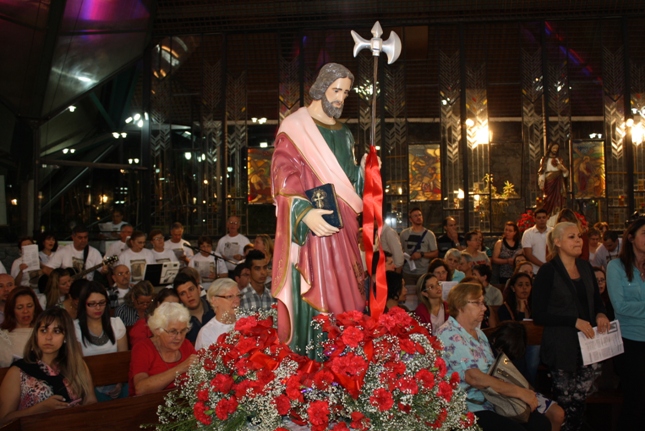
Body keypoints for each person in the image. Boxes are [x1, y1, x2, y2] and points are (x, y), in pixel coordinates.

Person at [271, 63, 368, 357]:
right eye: (336, 90)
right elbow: (283, 172)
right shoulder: (296, 127)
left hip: (344, 226)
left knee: (351, 295)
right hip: (314, 230)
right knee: (318, 286)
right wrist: (304, 212)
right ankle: (315, 358)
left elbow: (349, 183)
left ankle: (347, 355)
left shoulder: (345, 132)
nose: (340, 98)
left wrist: (364, 173)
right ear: (321, 87)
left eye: (346, 93)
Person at [436, 282, 551, 431]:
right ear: (460, 305)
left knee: (541, 424)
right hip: (468, 406)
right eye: (477, 303)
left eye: (483, 303)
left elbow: (493, 369)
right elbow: (474, 378)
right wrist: (519, 392)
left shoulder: (479, 333)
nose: (484, 308)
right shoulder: (449, 333)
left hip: (493, 400)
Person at [533, 222, 609, 431]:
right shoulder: (548, 271)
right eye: (571, 237)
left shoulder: (585, 267)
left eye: (579, 236)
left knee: (580, 402)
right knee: (565, 403)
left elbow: (597, 301)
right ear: (557, 242)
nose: (578, 241)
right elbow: (538, 314)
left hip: (588, 345)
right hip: (562, 346)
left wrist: (601, 314)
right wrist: (572, 321)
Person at [0, 308, 97, 426]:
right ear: (36, 334)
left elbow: (91, 401)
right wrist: (39, 409)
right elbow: (3, 420)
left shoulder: (77, 365)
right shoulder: (18, 370)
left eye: (56, 331)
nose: (48, 337)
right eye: (43, 330)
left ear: (66, 336)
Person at [606, 218, 645, 430]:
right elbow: (620, 306)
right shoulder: (616, 267)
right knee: (635, 400)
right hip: (630, 341)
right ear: (631, 237)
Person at [128, 302, 198, 396]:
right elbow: (141, 389)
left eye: (183, 331)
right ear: (158, 330)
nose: (179, 337)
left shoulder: (186, 345)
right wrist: (180, 368)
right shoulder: (143, 348)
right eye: (173, 331)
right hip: (148, 403)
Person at [74, 282, 128, 401]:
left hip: (117, 381)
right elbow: (78, 365)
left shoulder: (116, 324)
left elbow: (123, 361)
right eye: (92, 304)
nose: (98, 308)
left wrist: (119, 383)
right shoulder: (75, 328)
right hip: (89, 385)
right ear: (83, 304)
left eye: (101, 303)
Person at [0, 288, 44, 367]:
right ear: (11, 310)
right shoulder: (2, 336)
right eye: (20, 307)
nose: (25, 311)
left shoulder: (44, 331)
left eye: (29, 306)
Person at [195, 278, 242, 350]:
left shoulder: (247, 321)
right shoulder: (207, 333)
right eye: (230, 296)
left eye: (238, 295)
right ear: (214, 301)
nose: (237, 300)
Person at [400, 207, 439, 285]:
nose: (418, 217)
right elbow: (400, 250)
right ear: (410, 219)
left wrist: (421, 254)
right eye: (415, 216)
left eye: (420, 215)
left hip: (423, 271)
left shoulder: (429, 234)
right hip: (408, 271)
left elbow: (435, 253)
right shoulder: (404, 234)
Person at [173, 272, 214, 345]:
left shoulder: (215, 306)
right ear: (179, 298)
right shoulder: (179, 320)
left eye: (191, 289)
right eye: (183, 293)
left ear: (198, 289)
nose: (189, 295)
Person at [538, 142, 569, 216]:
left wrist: (563, 169)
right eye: (554, 148)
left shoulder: (559, 159)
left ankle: (557, 214)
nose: (555, 150)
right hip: (549, 182)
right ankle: (548, 215)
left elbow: (565, 173)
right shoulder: (545, 159)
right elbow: (542, 172)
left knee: (559, 198)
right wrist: (541, 181)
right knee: (548, 199)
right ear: (550, 148)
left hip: (558, 181)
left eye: (556, 148)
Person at [522, 208, 551, 275]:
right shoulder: (528, 233)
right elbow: (528, 254)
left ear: (547, 218)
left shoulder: (553, 232)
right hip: (534, 271)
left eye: (544, 217)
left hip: (551, 270)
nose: (542, 220)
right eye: (539, 218)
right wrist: (543, 266)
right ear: (534, 219)